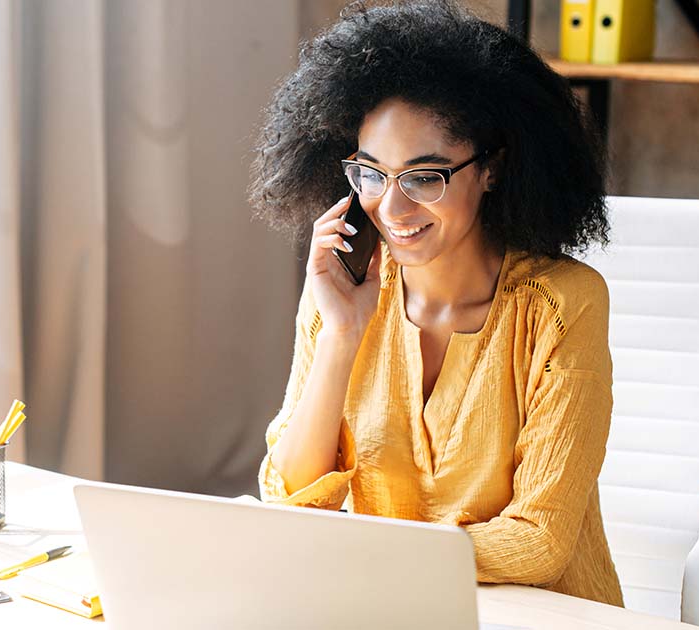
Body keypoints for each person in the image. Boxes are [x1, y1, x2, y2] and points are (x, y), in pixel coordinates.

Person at [247, 0, 623, 606]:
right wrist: (341, 334)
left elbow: (539, 542)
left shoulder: (561, 304)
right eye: (371, 173)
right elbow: (289, 499)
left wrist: (365, 557)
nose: (392, 208)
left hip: (539, 614)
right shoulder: (340, 293)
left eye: (424, 177)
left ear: (491, 169)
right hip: (389, 605)